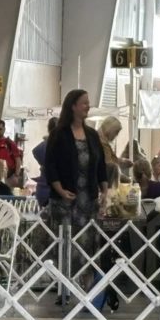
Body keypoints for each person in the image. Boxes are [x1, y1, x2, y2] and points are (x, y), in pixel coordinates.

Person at [44, 88, 109, 281]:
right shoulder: (58, 134)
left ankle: (86, 284)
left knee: (88, 244)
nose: (88, 106)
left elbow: (101, 165)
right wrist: (60, 190)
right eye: (84, 103)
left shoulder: (93, 135)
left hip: (88, 200)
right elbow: (50, 165)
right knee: (65, 244)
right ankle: (63, 286)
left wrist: (105, 192)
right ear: (73, 106)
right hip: (65, 201)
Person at [31, 117, 58, 206]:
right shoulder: (65, 145)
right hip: (59, 192)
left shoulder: (40, 147)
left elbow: (35, 151)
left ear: (48, 129)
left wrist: (43, 164)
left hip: (43, 189)